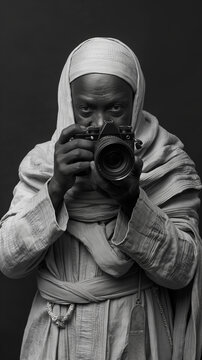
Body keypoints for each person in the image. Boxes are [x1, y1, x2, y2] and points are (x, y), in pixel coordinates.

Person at [0, 37, 202, 360]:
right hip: (56, 339)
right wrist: (56, 188)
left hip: (136, 335)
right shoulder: (43, 163)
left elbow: (182, 272)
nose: (100, 123)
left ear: (134, 103)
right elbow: (8, 260)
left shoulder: (166, 161)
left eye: (115, 109)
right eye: (85, 109)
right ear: (70, 104)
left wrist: (132, 200)